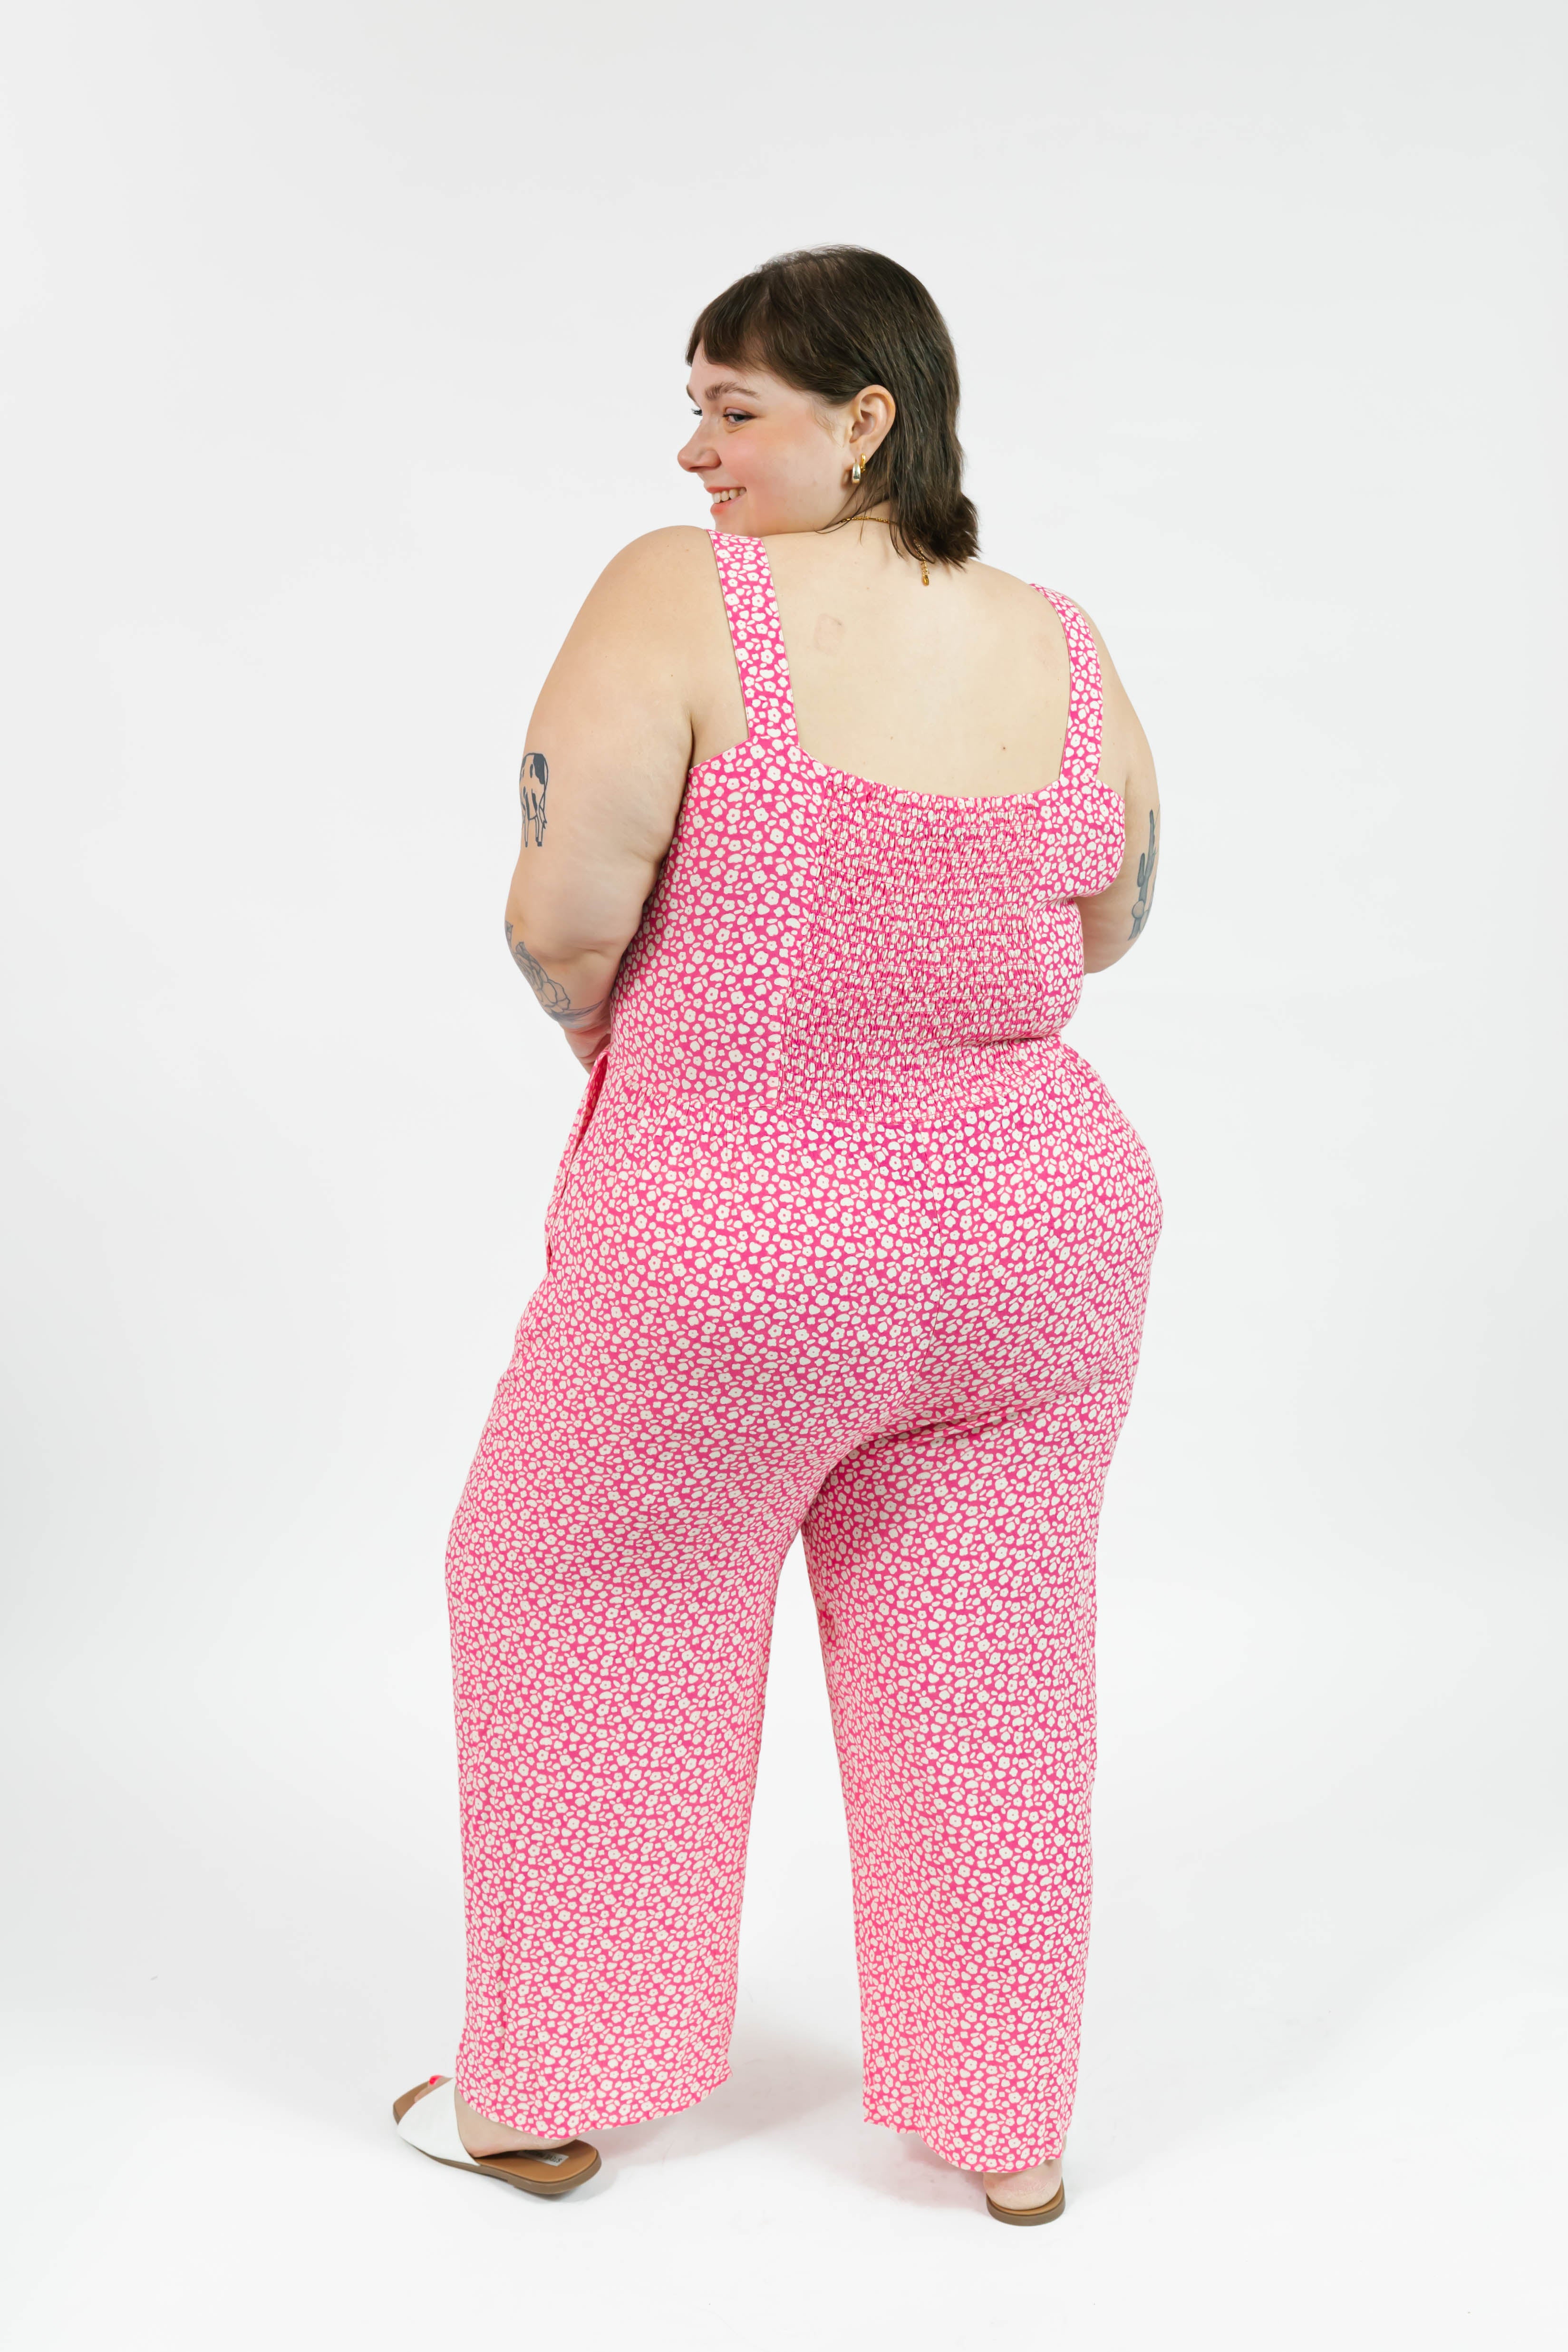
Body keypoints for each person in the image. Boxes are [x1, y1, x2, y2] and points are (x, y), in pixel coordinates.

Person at [392, 245, 1162, 2226]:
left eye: (734, 408)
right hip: (1039, 1235)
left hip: (742, 1227)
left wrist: (622, 1027)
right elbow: (1108, 917)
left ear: (867, 420)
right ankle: (1008, 2125)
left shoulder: (682, 592)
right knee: (990, 1657)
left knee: (577, 1595)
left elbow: (561, 909)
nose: (695, 450)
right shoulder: (1061, 642)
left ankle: (547, 2091)